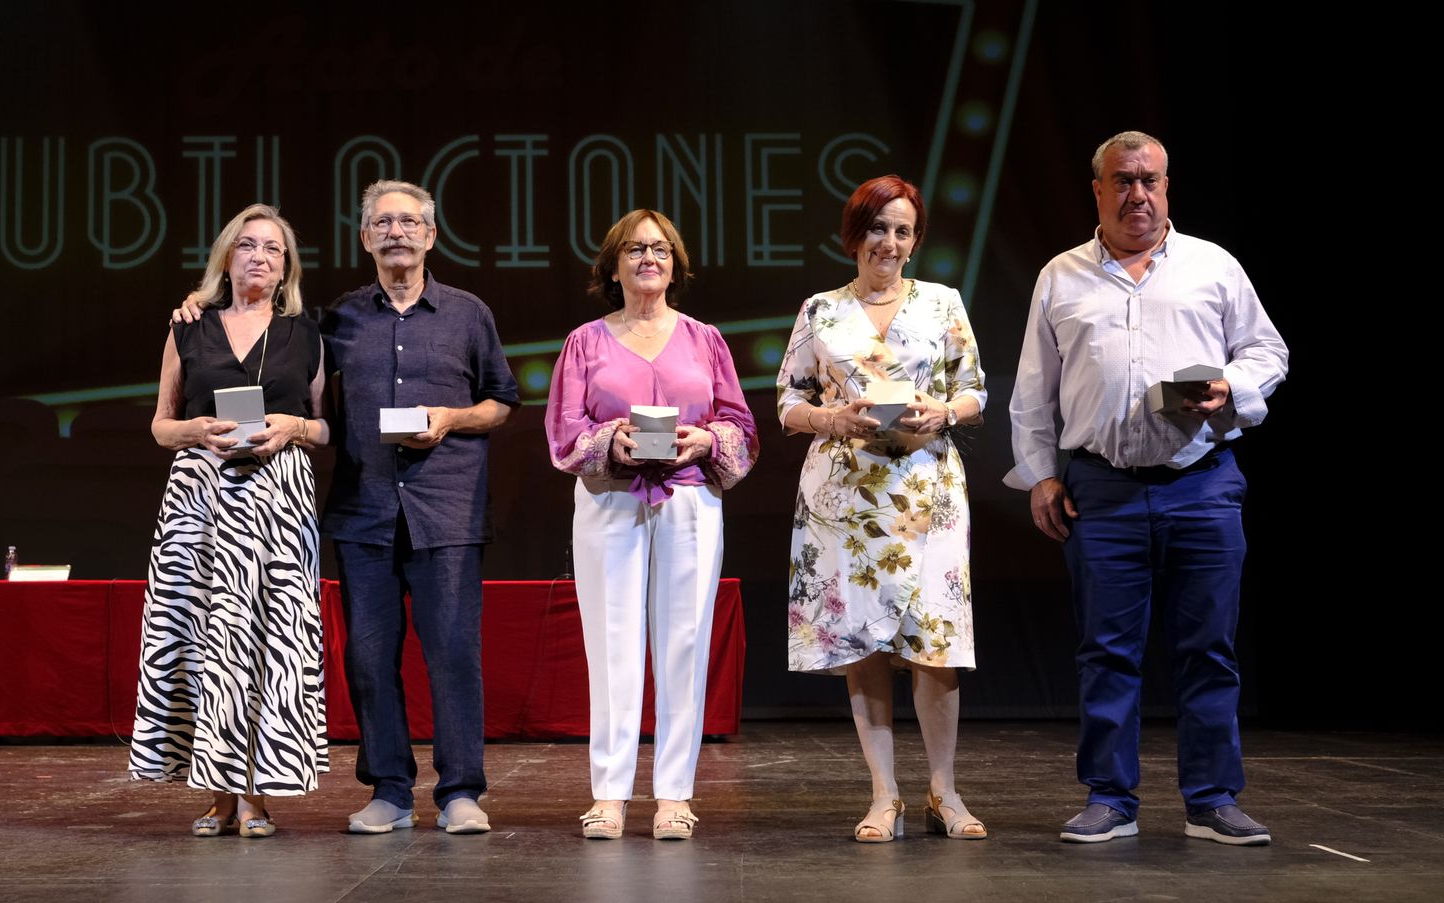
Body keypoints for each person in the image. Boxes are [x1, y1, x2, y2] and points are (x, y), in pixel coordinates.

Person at [1006, 131, 1288, 845]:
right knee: (1106, 648)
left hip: (1203, 481)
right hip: (1102, 488)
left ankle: (1214, 798)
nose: (1139, 194)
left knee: (1209, 648)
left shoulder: (1212, 266)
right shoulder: (1061, 276)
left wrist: (1233, 385)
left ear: (1168, 187)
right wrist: (1040, 473)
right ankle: (1110, 796)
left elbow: (1267, 349)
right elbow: (1033, 392)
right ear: (1097, 190)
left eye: (1151, 180)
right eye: (1124, 181)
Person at [777, 175, 988, 842]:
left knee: (936, 646)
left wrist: (943, 411)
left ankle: (945, 792)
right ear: (856, 233)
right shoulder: (820, 309)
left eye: (902, 230)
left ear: (915, 239)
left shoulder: (943, 303)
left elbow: (974, 391)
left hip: (927, 492)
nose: (890, 242)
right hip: (846, 495)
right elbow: (786, 400)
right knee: (864, 644)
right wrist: (828, 416)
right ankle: (884, 794)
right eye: (878, 228)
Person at [545, 210, 759, 840]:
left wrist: (702, 441)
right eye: (635, 250)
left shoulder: (705, 339)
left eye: (661, 250)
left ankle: (674, 793)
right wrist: (614, 441)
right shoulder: (585, 341)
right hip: (611, 498)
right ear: (613, 265)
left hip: (689, 500)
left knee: (685, 641)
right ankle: (609, 793)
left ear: (676, 264)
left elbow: (740, 429)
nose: (648, 259)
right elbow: (563, 433)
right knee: (610, 644)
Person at [321, 181, 518, 836]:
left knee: (454, 652)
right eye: (383, 221)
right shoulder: (340, 319)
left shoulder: (468, 314)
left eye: (409, 221)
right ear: (365, 236)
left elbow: (501, 402)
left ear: (432, 235)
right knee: (370, 656)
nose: (396, 230)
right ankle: (390, 788)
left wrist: (452, 417)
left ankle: (461, 790)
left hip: (448, 508)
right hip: (364, 508)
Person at [129, 204, 331, 838]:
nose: (258, 257)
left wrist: (293, 427)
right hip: (201, 500)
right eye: (246, 245)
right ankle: (216, 792)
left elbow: (325, 426)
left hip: (279, 500)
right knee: (204, 640)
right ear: (226, 257)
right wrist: (192, 430)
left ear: (285, 268)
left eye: (272, 249)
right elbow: (161, 423)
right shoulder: (190, 327)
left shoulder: (307, 333)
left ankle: (256, 794)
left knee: (272, 643)